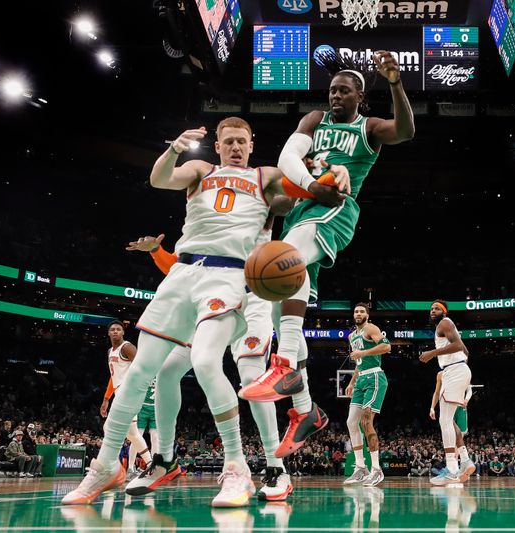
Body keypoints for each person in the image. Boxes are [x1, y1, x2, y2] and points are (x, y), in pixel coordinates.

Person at [62, 116, 336, 506]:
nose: (236, 147)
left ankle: (257, 468)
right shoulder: (200, 170)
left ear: (252, 144)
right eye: (229, 141)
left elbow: (309, 191)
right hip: (185, 274)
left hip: (238, 282)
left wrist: (328, 172)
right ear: (219, 145)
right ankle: (119, 463)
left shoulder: (267, 178)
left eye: (242, 141)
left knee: (236, 372)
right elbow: (160, 179)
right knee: (150, 371)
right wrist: (174, 147)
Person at [239, 48, 416, 461]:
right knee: (285, 297)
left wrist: (395, 82)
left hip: (336, 207)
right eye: (332, 90)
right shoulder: (314, 120)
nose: (335, 96)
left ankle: (281, 365)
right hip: (305, 205)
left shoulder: (368, 127)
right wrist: (308, 186)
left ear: (359, 97)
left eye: (344, 91)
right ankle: (306, 412)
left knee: (282, 261)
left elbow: (405, 132)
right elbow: (286, 158)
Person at [123, 227, 297, 501]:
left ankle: (276, 468)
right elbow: (181, 271)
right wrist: (158, 252)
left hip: (251, 300)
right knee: (167, 371)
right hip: (210, 299)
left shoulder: (262, 199)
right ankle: (165, 459)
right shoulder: (206, 211)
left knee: (253, 381)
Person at [419, 301, 471, 485]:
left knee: (445, 421)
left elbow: (458, 346)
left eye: (437, 309)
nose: (433, 311)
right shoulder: (446, 326)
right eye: (431, 308)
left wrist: (432, 353)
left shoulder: (445, 323)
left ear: (444, 311)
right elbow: (465, 351)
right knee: (448, 420)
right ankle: (464, 461)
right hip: (458, 370)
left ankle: (452, 469)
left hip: (454, 371)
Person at [342, 303, 391, 487]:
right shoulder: (351, 336)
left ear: (367, 315)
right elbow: (358, 361)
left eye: (362, 311)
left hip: (375, 377)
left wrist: (364, 351)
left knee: (365, 422)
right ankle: (361, 468)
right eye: (356, 311)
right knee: (351, 422)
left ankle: (376, 470)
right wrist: (352, 382)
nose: (359, 313)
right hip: (361, 379)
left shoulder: (370, 328)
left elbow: (386, 347)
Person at [100, 320, 152, 479]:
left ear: (123, 333)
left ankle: (111, 468)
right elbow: (113, 377)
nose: (115, 331)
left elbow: (143, 367)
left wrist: (135, 388)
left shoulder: (127, 347)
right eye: (112, 329)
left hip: (128, 393)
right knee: (133, 434)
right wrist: (106, 399)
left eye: (118, 329)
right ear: (109, 333)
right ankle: (151, 465)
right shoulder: (110, 351)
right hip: (119, 393)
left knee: (108, 428)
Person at [429, 371, 475, 482]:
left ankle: (453, 469)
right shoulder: (442, 373)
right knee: (452, 433)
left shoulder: (460, 371)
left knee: (456, 434)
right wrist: (432, 407)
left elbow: (469, 390)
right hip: (447, 402)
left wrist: (466, 400)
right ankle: (462, 463)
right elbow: (436, 392)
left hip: (457, 405)